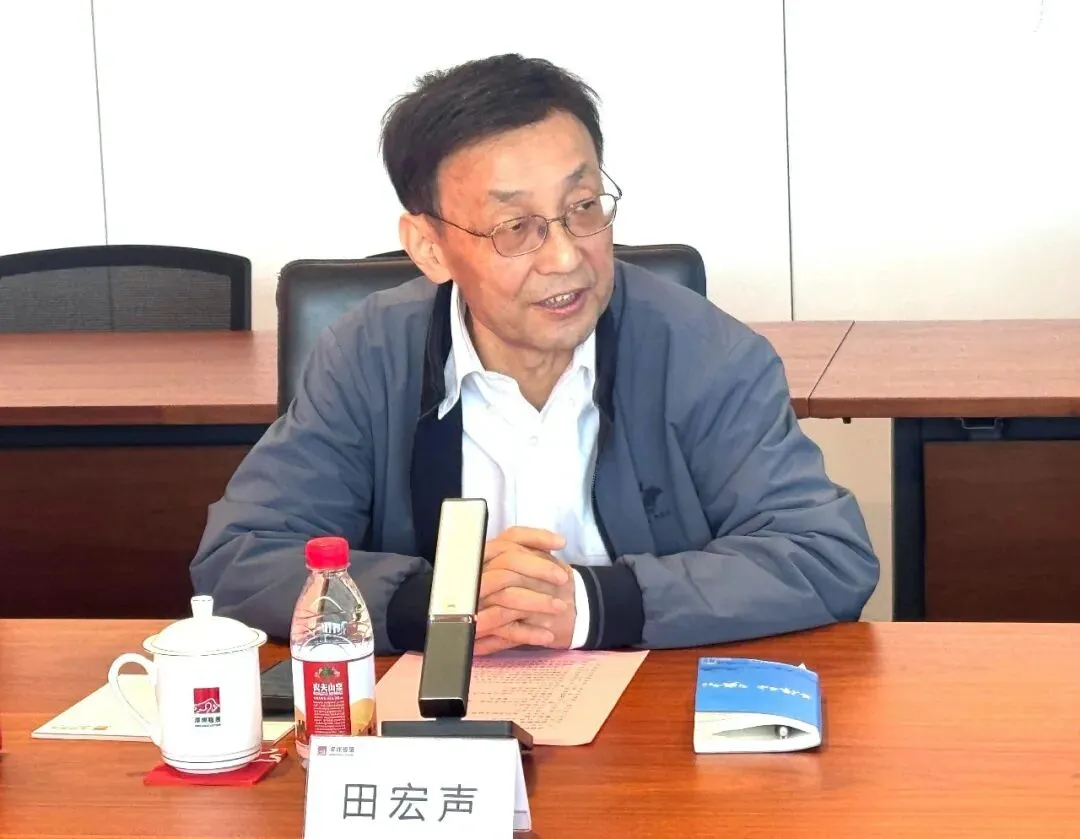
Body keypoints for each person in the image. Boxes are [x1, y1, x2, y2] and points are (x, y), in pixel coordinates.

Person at [190, 53, 879, 656]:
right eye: (515, 226)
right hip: (430, 725)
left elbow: (823, 554)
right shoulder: (368, 356)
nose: (566, 257)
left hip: (654, 716)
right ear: (430, 247)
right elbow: (240, 560)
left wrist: (592, 605)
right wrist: (438, 602)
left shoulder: (705, 353)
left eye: (584, 206)